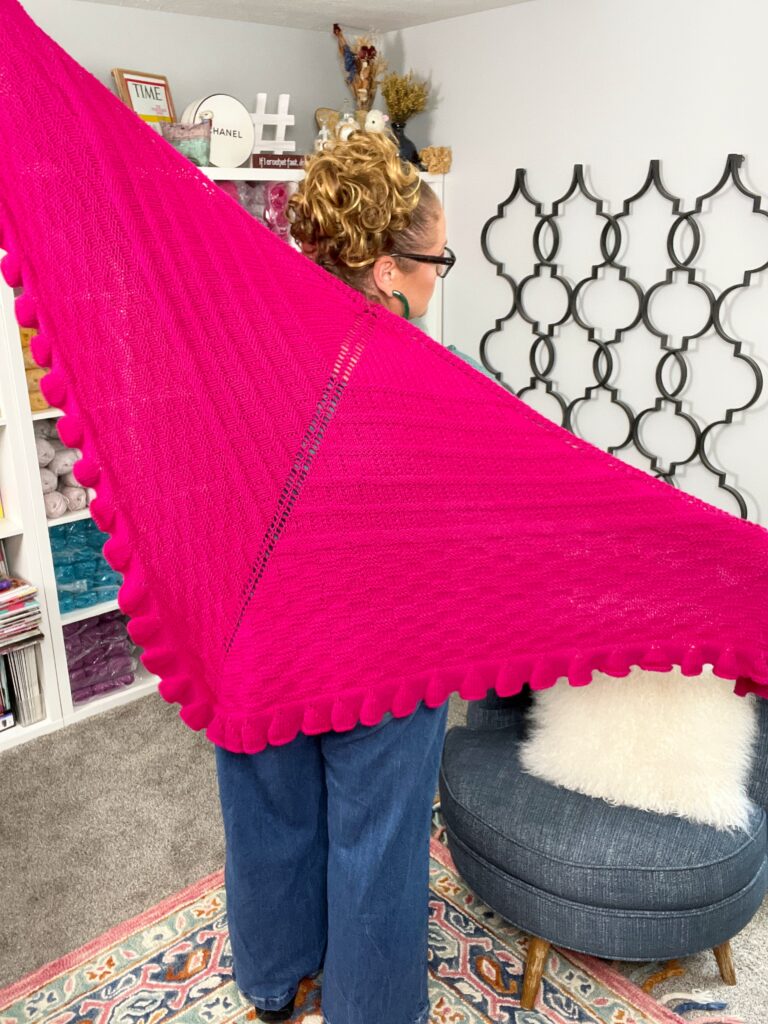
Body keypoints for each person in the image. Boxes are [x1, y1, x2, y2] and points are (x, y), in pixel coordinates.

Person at [214, 130, 456, 1024]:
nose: (441, 277)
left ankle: (276, 986)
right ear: (389, 268)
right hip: (381, 650)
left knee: (268, 821)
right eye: (439, 259)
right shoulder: (433, 382)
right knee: (377, 843)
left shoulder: (246, 346)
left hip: (257, 632)